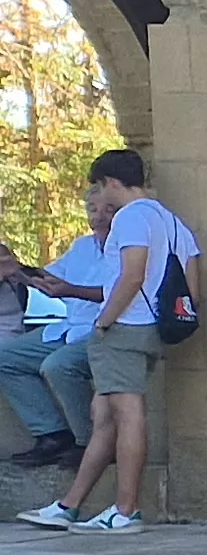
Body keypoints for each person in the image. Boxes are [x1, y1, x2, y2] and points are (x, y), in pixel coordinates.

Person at [21, 152, 196, 535]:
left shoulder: (132, 218)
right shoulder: (174, 223)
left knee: (128, 414)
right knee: (104, 419)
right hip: (152, 328)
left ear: (112, 182)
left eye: (100, 186)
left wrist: (104, 320)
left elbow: (131, 276)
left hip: (124, 328)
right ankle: (68, 506)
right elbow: (191, 286)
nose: (100, 195)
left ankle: (126, 510)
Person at [0, 181, 115, 468]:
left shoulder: (128, 248)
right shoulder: (82, 246)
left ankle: (92, 443)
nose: (99, 216)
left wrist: (71, 290)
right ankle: (51, 435)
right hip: (69, 328)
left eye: (108, 209)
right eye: (93, 209)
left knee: (58, 366)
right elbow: (49, 279)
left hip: (106, 330)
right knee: (6, 357)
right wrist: (17, 270)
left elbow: (122, 291)